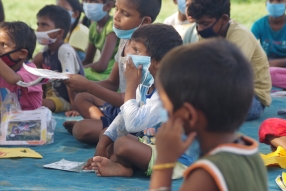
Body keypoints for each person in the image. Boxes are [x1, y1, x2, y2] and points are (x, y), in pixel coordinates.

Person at [148, 38, 268, 191]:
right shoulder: (250, 153)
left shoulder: (206, 175)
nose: (163, 113)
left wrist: (164, 162)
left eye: (164, 105)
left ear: (189, 116)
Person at [85, 23, 194, 179]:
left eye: (136, 51)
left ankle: (123, 166)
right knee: (110, 139)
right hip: (151, 146)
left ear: (158, 62)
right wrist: (102, 145)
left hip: (174, 160)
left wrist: (130, 84)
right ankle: (123, 168)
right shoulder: (145, 85)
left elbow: (132, 124)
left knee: (122, 144)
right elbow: (122, 119)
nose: (129, 55)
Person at [63, 0, 162, 144]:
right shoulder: (124, 41)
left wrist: (88, 86)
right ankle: (106, 126)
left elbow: (130, 98)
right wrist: (81, 84)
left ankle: (107, 130)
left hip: (133, 109)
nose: (116, 16)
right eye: (117, 9)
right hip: (119, 105)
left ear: (145, 20)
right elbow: (112, 82)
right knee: (82, 97)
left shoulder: (145, 54)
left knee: (81, 129)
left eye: (125, 13)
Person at [186, 0, 272, 121]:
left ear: (224, 19)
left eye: (205, 23)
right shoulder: (207, 35)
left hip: (251, 98)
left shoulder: (240, 35)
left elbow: (229, 74)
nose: (200, 29)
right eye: (197, 24)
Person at [34, 5, 84, 113]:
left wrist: (76, 108)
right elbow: (37, 69)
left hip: (67, 99)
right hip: (52, 95)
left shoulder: (64, 51)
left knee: (36, 103)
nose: (38, 29)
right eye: (38, 24)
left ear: (59, 32)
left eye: (44, 25)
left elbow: (71, 81)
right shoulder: (47, 49)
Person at [0, 21, 42, 110]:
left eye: (3, 45)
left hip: (31, 121)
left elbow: (13, 79)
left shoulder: (31, 71)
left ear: (22, 53)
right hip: (8, 120)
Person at [82, 0, 119, 82]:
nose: (88, 4)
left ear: (108, 6)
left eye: (94, 1)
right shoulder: (93, 27)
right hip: (101, 71)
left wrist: (80, 69)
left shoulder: (112, 25)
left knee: (78, 77)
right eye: (86, 1)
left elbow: (102, 65)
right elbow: (87, 60)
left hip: (112, 72)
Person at [252, 0, 286, 68]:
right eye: (271, 0)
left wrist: (275, 63)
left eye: (279, 1)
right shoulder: (259, 25)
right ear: (266, 3)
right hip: (266, 67)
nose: (274, 4)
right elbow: (248, 46)